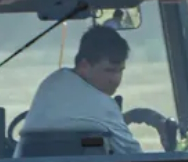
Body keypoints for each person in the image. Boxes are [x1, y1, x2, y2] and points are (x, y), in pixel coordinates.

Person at [22, 25, 168, 155]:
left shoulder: (51, 84)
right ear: (84, 66)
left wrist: (133, 116)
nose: (116, 79)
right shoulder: (103, 104)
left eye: (120, 71)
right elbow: (134, 157)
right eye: (109, 70)